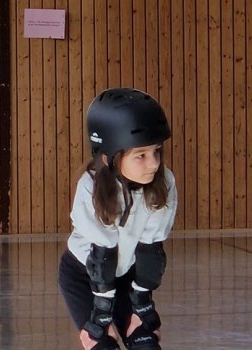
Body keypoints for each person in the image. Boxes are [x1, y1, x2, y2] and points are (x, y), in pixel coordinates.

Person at [58, 88, 177, 350]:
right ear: (108, 156)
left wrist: (142, 305)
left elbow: (150, 251)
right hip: (85, 275)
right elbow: (103, 255)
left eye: (156, 151)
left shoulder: (163, 182)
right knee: (103, 344)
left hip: (126, 276)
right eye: (141, 155)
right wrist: (101, 316)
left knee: (145, 343)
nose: (154, 163)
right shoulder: (91, 187)